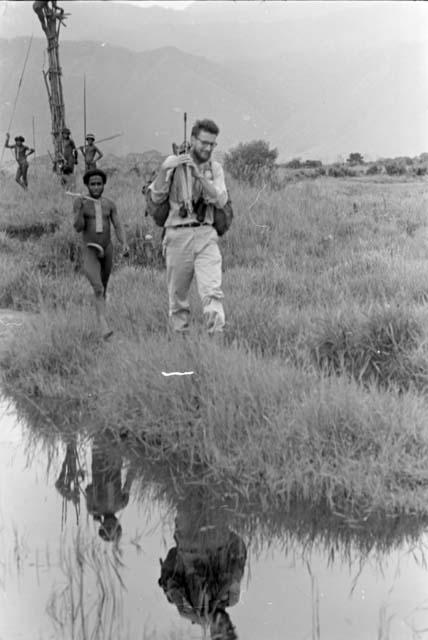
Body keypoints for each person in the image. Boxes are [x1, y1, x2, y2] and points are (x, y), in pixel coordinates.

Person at [148, 118, 228, 335]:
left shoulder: (215, 168)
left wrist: (199, 176)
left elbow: (220, 199)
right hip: (177, 235)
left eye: (213, 144)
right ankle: (181, 347)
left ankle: (216, 344)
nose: (208, 148)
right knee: (178, 299)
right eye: (204, 142)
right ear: (193, 139)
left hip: (206, 235)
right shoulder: (173, 165)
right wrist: (165, 169)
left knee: (212, 292)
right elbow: (156, 197)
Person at [159, 489, 247, 640]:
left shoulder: (189, 609)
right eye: (229, 627)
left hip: (190, 536)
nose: (224, 623)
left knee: (185, 488)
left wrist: (186, 559)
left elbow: (171, 574)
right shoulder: (231, 596)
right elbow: (238, 550)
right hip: (214, 531)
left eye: (220, 629)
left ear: (212, 632)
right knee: (216, 487)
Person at [73, 168, 129, 339]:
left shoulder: (109, 204)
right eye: (92, 184)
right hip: (89, 249)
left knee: (103, 288)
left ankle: (101, 316)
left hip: (107, 249)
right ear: (87, 185)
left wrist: (124, 243)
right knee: (97, 287)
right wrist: (79, 210)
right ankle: (104, 326)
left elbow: (118, 225)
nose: (96, 187)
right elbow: (78, 227)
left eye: (99, 184)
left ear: (104, 185)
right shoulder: (80, 202)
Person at [85, 431, 136, 543]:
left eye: (107, 528)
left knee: (105, 428)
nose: (110, 525)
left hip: (107, 459)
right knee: (106, 428)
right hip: (105, 459)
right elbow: (89, 489)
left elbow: (89, 489)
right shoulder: (95, 508)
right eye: (112, 528)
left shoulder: (120, 504)